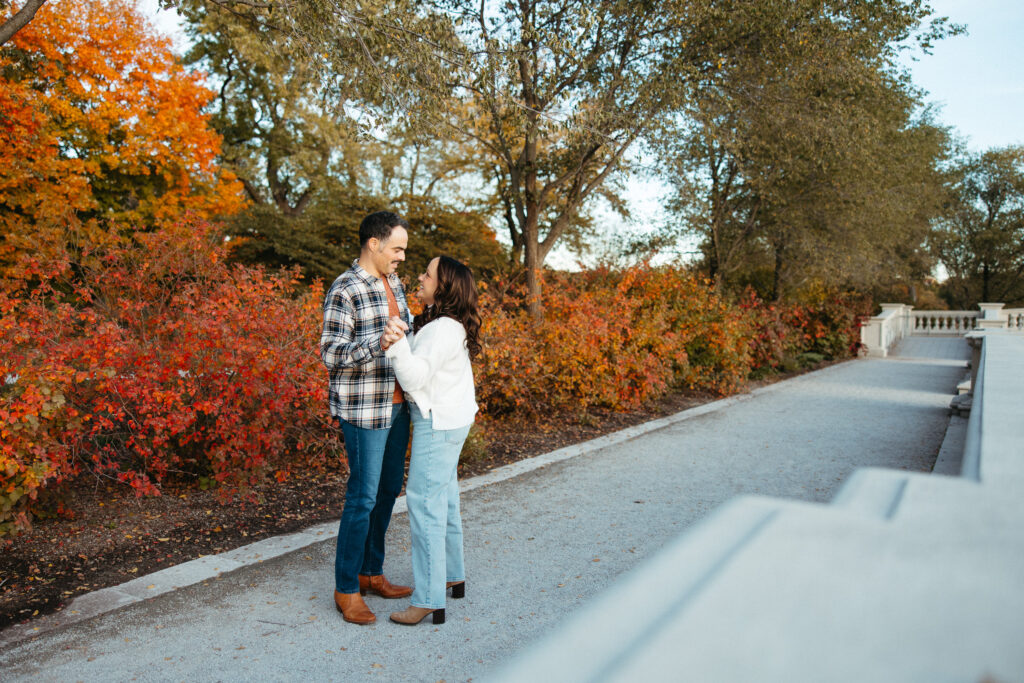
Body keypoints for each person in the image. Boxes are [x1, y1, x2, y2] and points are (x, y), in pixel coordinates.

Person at [320, 211, 416, 625]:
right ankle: (346, 589)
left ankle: (371, 572)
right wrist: (376, 343)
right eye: (397, 249)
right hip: (364, 407)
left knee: (388, 491)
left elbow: (406, 327)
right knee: (362, 496)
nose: (401, 258)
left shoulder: (393, 282)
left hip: (398, 405)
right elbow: (330, 353)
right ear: (373, 244)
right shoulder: (345, 288)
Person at [380, 255, 481, 626]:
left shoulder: (441, 329)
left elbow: (414, 379)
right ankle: (452, 574)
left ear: (444, 287)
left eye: (427, 273)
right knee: (446, 498)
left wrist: (394, 345)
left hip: (437, 423)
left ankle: (427, 598)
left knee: (424, 504)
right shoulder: (448, 325)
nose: (419, 278)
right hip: (453, 419)